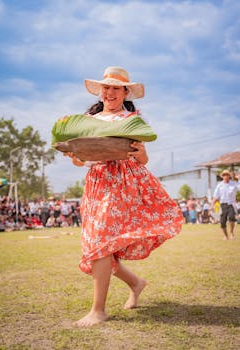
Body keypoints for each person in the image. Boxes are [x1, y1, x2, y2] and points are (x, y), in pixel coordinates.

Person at [63, 66, 183, 327]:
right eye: (106, 87)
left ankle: (98, 310)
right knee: (97, 245)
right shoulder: (87, 119)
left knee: (102, 243)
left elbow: (143, 158)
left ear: (125, 92)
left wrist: (139, 151)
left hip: (120, 183)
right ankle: (136, 283)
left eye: (116, 88)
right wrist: (74, 155)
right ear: (100, 91)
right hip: (95, 183)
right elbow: (81, 161)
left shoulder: (132, 118)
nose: (110, 92)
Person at [210, 169, 240, 240]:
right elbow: (215, 196)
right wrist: (212, 205)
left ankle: (232, 233)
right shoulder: (219, 185)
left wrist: (239, 179)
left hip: (231, 204)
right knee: (222, 222)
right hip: (223, 205)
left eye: (227, 175)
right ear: (222, 177)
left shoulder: (234, 183)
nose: (225, 176)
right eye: (224, 175)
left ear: (229, 176)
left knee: (232, 217)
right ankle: (226, 236)